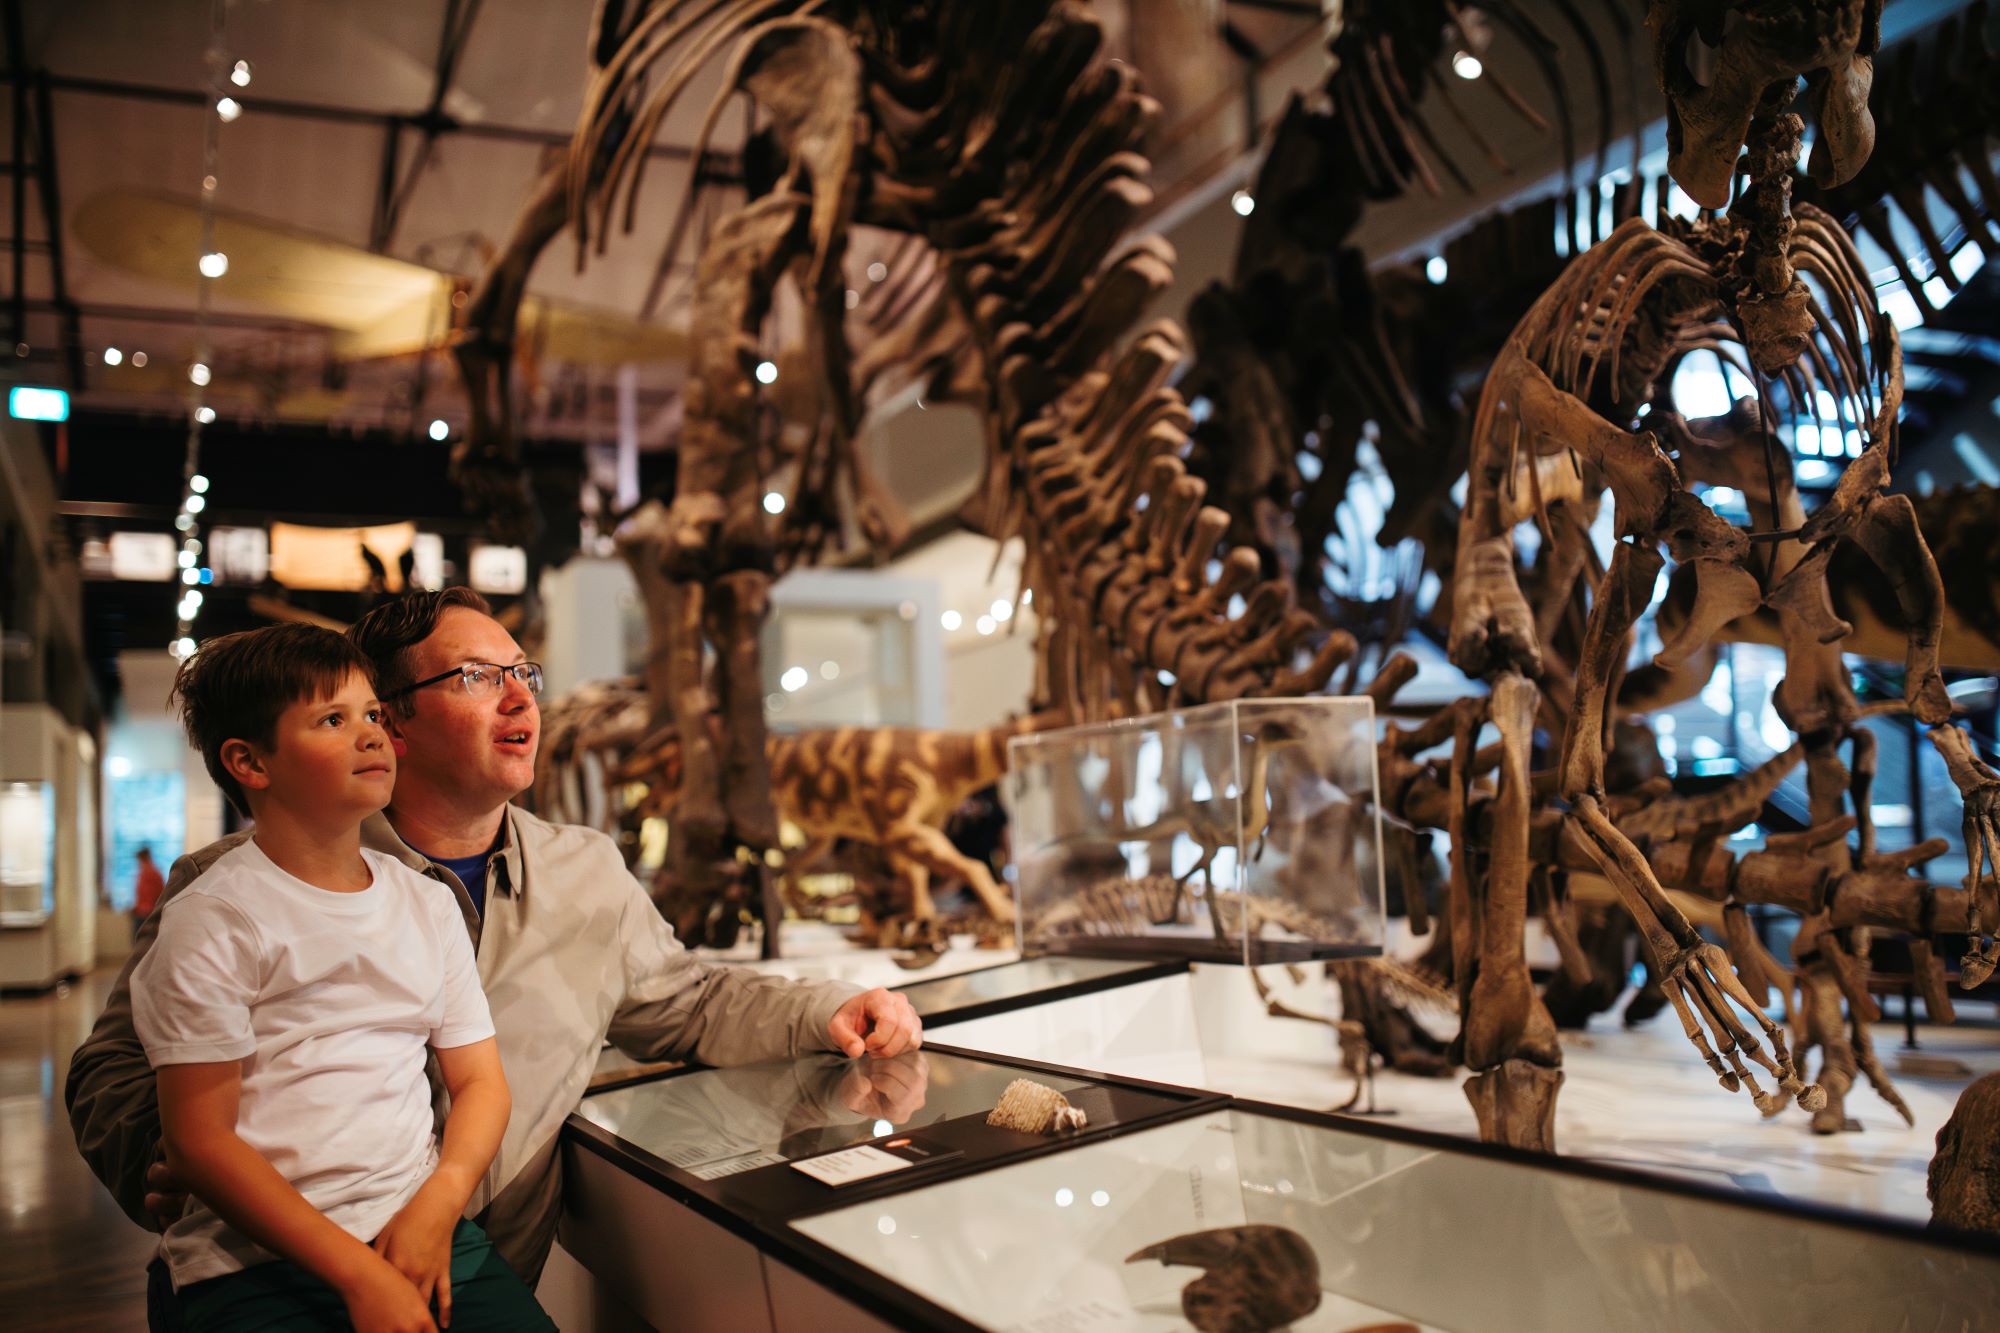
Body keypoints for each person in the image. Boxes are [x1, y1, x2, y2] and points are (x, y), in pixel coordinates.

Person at [69, 587, 924, 1317]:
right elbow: (108, 1067)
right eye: (477, 677)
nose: (520, 698)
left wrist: (828, 1007)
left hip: (476, 1280)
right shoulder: (227, 884)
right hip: (278, 1280)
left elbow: (692, 1001)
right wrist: (166, 1151)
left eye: (524, 673)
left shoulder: (587, 872)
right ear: (393, 718)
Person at [132, 623, 550, 1330]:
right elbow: (200, 1140)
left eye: (373, 716)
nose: (371, 736)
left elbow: (482, 1081)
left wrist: (438, 1203)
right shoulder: (214, 915)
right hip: (257, 1260)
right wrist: (358, 1273)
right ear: (249, 762)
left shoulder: (424, 900)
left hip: (420, 1224)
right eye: (333, 719)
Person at [131, 846, 165, 935]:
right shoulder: (146, 873)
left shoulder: (151, 873)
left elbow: (158, 894)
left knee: (142, 942)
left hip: (147, 913)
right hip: (144, 912)